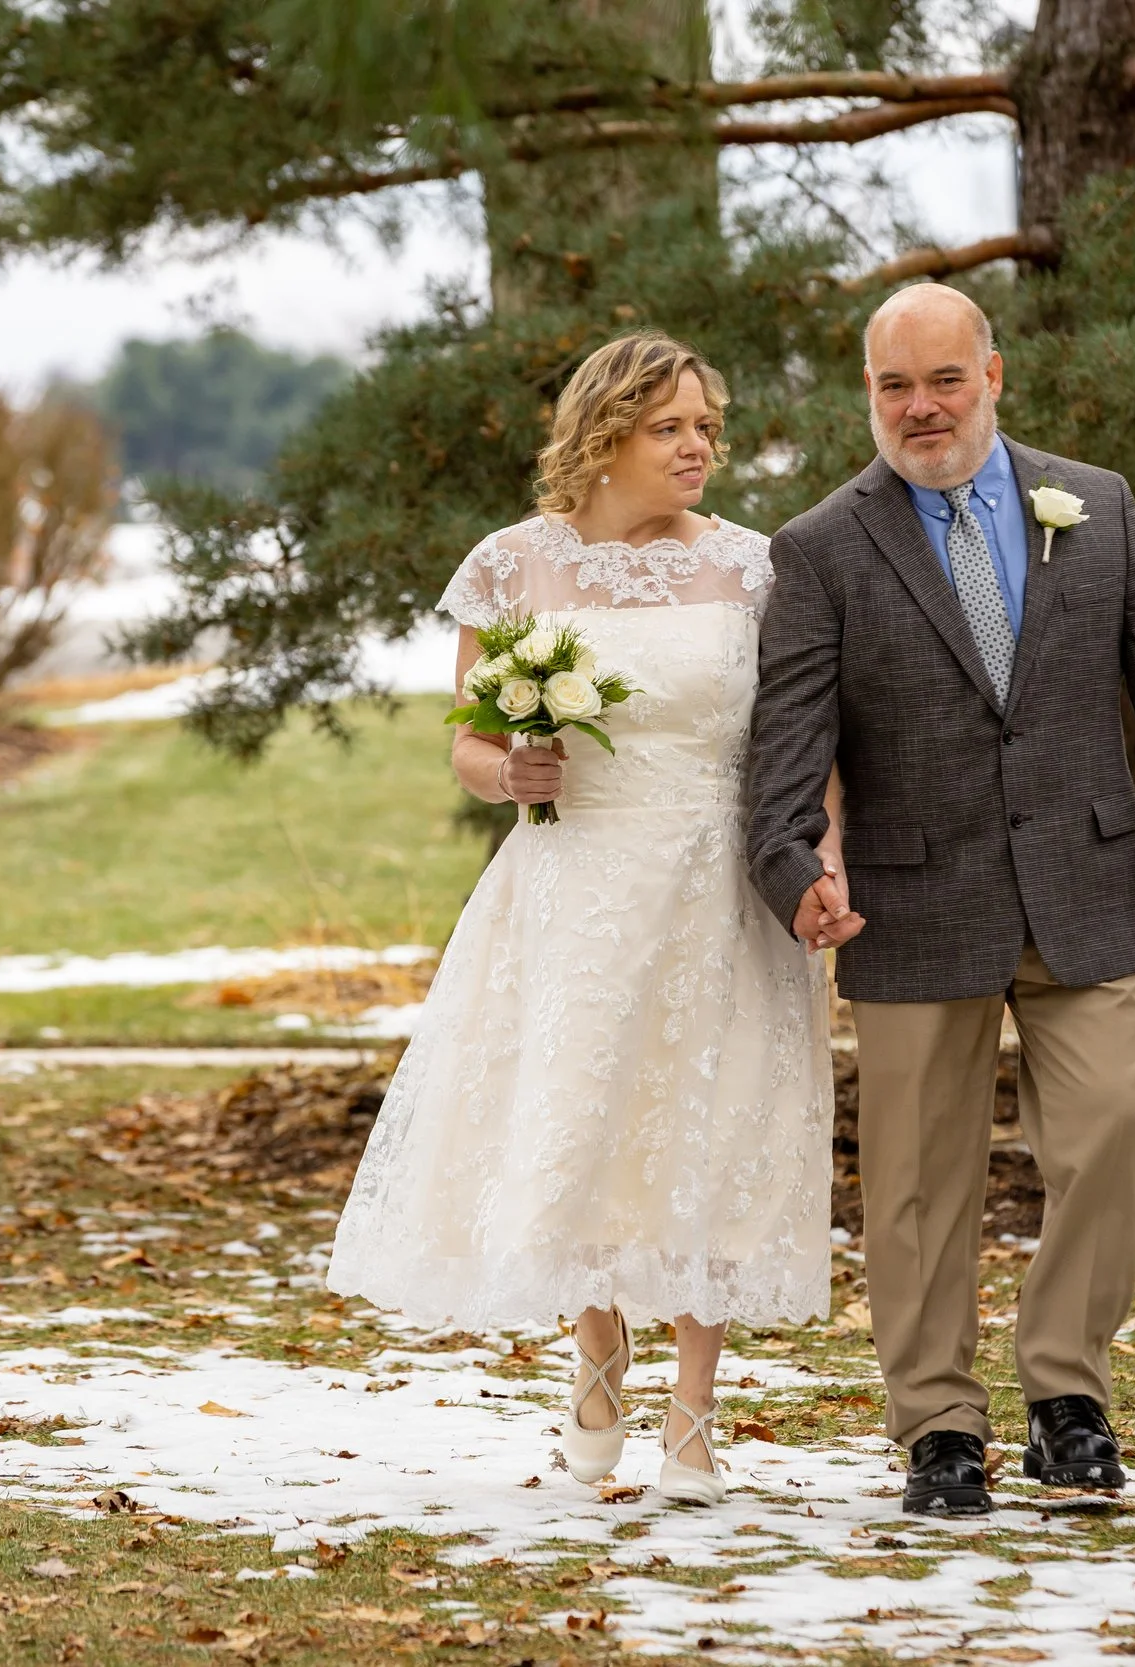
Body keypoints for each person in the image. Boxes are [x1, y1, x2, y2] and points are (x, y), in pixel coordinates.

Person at [748, 283, 1135, 1516]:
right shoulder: (818, 548)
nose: (920, 408)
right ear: (867, 394)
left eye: (943, 381)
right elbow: (784, 745)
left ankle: (1067, 1396)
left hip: (1084, 882)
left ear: (994, 375)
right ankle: (936, 1423)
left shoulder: (1096, 502)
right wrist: (793, 866)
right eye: (892, 387)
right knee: (917, 1181)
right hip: (913, 906)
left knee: (1109, 1136)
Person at [327, 331, 846, 1506]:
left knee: (717, 1117)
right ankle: (598, 1347)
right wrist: (508, 771)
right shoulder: (515, 566)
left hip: (722, 874)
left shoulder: (758, 569)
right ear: (605, 434)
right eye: (673, 429)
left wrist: (821, 856)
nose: (701, 448)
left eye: (709, 427)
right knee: (587, 1108)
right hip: (577, 880)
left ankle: (696, 1415)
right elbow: (465, 737)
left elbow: (805, 746)